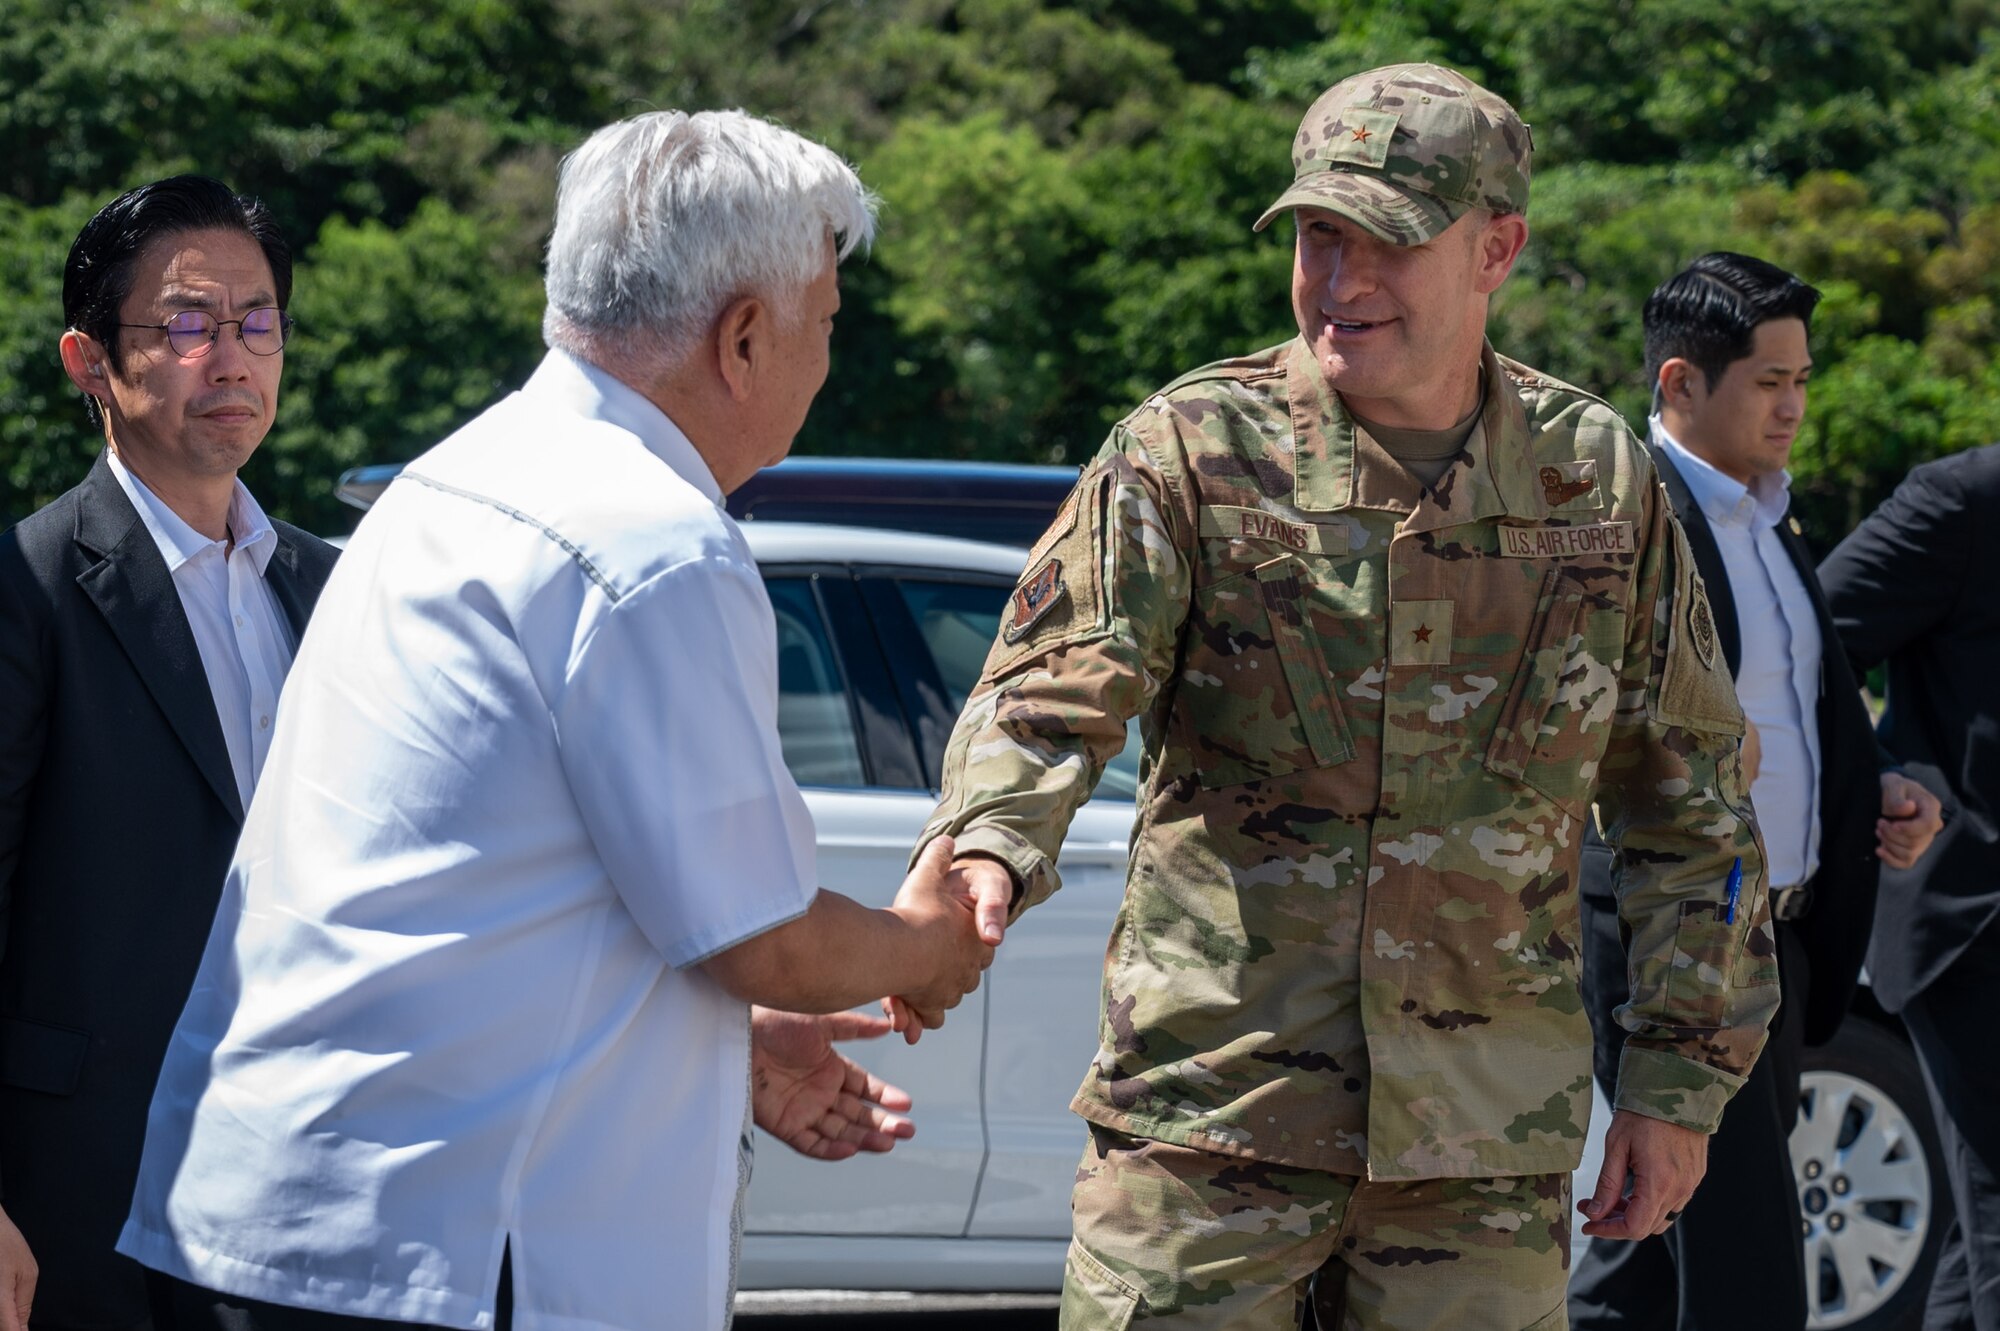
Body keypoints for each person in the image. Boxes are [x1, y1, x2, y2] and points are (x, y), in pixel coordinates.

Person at [906, 63, 1778, 1330]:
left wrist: (1676, 1079)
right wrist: (989, 838)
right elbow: (1050, 685)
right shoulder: (1192, 450)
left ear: (1496, 248)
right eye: (1319, 235)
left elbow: (1689, 798)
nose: (1341, 278)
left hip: (1478, 1147)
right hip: (1209, 1125)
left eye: (1388, 242)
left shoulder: (1594, 481)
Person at [114, 110, 995, 1331]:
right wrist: (926, 941)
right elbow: (764, 936)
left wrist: (730, 1042)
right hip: (441, 1256)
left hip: (282, 1220)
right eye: (825, 327)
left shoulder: (451, 482)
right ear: (744, 336)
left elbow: (483, 883)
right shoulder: (652, 543)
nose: (823, 363)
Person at [1567, 252, 1943, 1331]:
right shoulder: (1623, 522)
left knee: (1641, 1265)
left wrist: (1869, 793)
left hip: (1772, 941)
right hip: (1670, 948)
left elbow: (1791, 711)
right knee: (1748, 1273)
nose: (1792, 406)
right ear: (1678, 382)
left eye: (1801, 379)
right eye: (1768, 381)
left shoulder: (1768, 520)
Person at [0, 175, 339, 1331]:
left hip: (309, 1180)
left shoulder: (331, 587)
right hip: (83, 1190)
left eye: (257, 322)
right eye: (186, 324)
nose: (230, 357)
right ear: (89, 361)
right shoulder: (28, 586)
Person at [1821, 442, 2000, 1329]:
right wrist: (1887, 778)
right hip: (1971, 915)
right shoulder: (1963, 498)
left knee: (1977, 1240)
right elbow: (1809, 645)